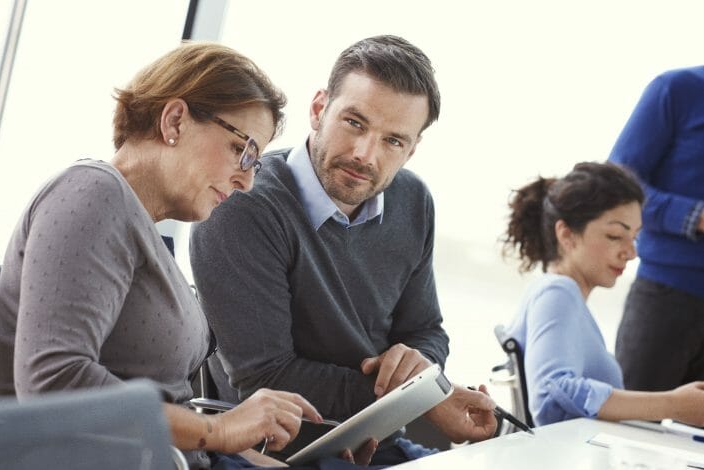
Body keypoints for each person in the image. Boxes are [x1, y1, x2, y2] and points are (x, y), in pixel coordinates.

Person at [0, 42, 324, 469]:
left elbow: (170, 406)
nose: (246, 181)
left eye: (256, 163)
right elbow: (53, 380)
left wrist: (243, 450)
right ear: (175, 120)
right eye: (242, 150)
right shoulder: (92, 193)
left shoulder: (141, 231)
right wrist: (221, 432)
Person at [190, 35, 497, 466]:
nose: (364, 154)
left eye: (393, 141)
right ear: (318, 109)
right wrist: (421, 398)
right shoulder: (244, 204)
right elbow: (266, 378)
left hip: (380, 449)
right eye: (355, 122)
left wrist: (418, 366)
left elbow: (427, 330)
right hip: (288, 457)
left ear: (412, 148)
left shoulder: (413, 201)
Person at [502, 161, 704, 426]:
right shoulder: (557, 292)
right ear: (567, 234)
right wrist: (673, 405)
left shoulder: (563, 296)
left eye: (634, 238)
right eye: (614, 235)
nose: (630, 252)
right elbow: (551, 395)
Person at [608, 66, 704, 392]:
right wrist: (695, 216)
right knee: (632, 426)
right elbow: (617, 183)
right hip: (666, 297)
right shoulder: (676, 89)